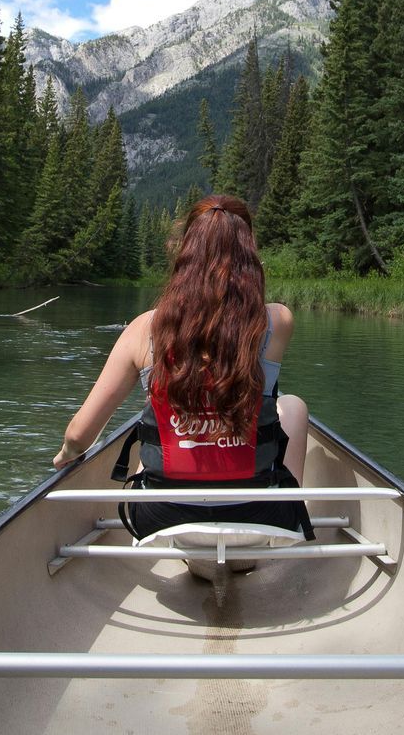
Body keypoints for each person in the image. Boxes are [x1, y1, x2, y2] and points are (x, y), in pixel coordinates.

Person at [52, 194, 311, 540]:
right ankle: (284, 523)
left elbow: (78, 435)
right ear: (250, 256)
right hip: (262, 515)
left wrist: (67, 453)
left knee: (155, 426)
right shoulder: (277, 321)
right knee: (292, 406)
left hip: (161, 518)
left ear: (185, 256)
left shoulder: (144, 329)